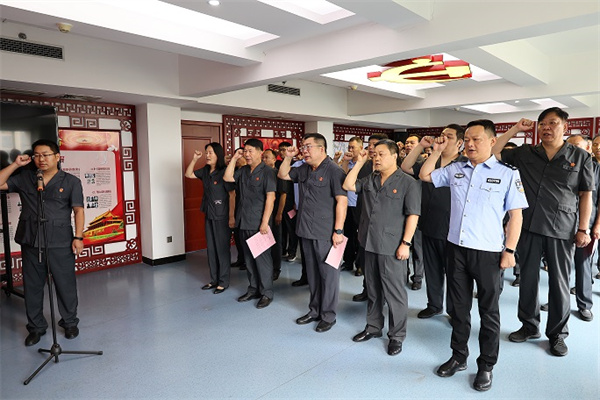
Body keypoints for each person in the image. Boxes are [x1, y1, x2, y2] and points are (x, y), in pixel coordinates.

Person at [420, 119, 528, 392]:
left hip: (488, 252)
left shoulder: (507, 173)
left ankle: (486, 365)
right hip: (456, 248)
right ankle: (459, 356)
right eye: (466, 139)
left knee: (488, 312)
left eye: (476, 139)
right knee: (459, 309)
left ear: (492, 141)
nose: (469, 144)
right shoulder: (456, 169)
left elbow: (516, 216)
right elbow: (425, 175)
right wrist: (436, 150)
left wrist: (510, 250)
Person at [492, 108, 594, 357]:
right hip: (528, 226)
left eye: (553, 123)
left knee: (559, 284)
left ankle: (557, 335)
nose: (546, 127)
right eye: (543, 124)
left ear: (565, 127)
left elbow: (585, 195)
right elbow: (495, 151)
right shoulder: (525, 153)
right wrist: (516, 129)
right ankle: (529, 326)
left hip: (562, 228)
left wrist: (583, 229)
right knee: (528, 279)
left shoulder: (580, 157)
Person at [0, 139, 85, 346]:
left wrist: (78, 237)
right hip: (31, 240)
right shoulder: (25, 178)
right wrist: (15, 165)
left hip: (60, 240)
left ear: (57, 157)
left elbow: (78, 210)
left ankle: (69, 322)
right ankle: (36, 327)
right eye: (37, 155)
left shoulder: (71, 181)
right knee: (33, 287)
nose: (41, 159)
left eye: (46, 155)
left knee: (65, 284)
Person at [343, 140, 420, 356]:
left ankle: (396, 336)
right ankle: (373, 327)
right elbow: (348, 185)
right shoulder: (371, 178)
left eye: (381, 154)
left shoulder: (408, 182)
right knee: (373, 289)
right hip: (369, 243)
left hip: (392, 246)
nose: (376, 158)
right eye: (374, 154)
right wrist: (359, 163)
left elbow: (413, 215)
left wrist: (406, 243)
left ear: (394, 156)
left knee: (394, 294)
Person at [278, 133, 348, 332]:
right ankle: (314, 310)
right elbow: (283, 174)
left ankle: (328, 315)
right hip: (306, 229)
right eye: (303, 147)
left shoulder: (334, 170)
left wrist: (338, 230)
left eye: (308, 146)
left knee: (328, 275)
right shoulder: (304, 169)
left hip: (326, 232)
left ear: (321, 148)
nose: (304, 150)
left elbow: (342, 201)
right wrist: (288, 157)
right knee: (313, 274)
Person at [401, 124, 466, 319]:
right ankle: (434, 305)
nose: (443, 139)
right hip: (429, 224)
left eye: (449, 136)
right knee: (432, 269)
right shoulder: (431, 160)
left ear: (460, 143)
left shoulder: (464, 164)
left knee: (454, 274)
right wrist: (422, 146)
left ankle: (455, 311)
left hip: (453, 228)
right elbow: (406, 167)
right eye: (442, 135)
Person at [224, 139, 277, 309]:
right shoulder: (243, 170)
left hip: (258, 223)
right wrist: (234, 158)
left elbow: (270, 198)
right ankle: (253, 289)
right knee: (248, 259)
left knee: (262, 260)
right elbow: (227, 178)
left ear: (260, 152)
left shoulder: (268, 172)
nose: (246, 154)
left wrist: (265, 222)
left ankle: (266, 293)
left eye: (250, 151)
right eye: (245, 151)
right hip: (243, 221)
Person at [184, 142, 234, 294]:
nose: (207, 155)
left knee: (222, 249)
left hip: (222, 215)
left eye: (210, 152)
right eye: (206, 152)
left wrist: (231, 216)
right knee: (211, 248)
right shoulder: (205, 170)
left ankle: (223, 281)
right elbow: (188, 174)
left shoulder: (224, 171)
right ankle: (214, 280)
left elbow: (232, 195)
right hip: (209, 213)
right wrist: (194, 159)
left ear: (218, 154)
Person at [563, 134, 598, 321]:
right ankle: (558, 301)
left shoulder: (596, 169)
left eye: (577, 146)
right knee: (560, 267)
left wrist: (596, 226)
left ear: (587, 148)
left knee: (583, 265)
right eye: (569, 146)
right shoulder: (561, 166)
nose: (572, 150)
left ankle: (584, 305)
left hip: (586, 225)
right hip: (562, 225)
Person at [352, 133, 389, 301]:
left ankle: (383, 294)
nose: (372, 148)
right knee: (366, 259)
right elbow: (350, 183)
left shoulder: (392, 170)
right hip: (365, 217)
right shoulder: (365, 165)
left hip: (384, 225)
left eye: (376, 145)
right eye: (370, 144)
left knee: (383, 264)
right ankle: (367, 290)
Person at [339, 136, 363, 274]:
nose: (350, 149)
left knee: (359, 237)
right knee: (347, 235)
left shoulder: (364, 164)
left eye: (353, 147)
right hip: (346, 205)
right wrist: (345, 161)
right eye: (349, 147)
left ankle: (360, 264)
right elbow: (342, 178)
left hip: (359, 206)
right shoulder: (347, 163)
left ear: (361, 148)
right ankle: (348, 262)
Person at [263, 148, 286, 280]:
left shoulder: (278, 174)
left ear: (274, 159)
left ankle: (276, 268)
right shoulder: (262, 173)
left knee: (275, 241)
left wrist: (279, 213)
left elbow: (283, 195)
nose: (264, 160)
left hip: (275, 211)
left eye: (267, 157)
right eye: (263, 157)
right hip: (263, 213)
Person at [231, 148, 247, 270]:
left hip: (247, 208)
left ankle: (247, 261)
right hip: (236, 206)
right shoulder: (235, 171)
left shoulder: (248, 171)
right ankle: (240, 259)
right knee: (238, 235)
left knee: (246, 237)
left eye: (240, 155)